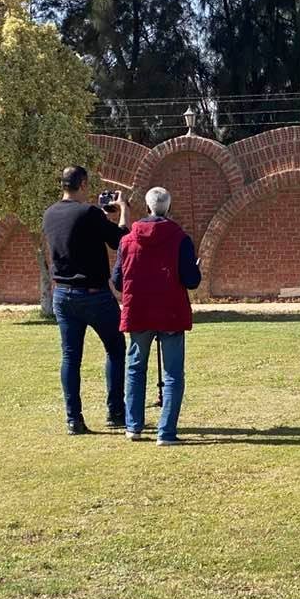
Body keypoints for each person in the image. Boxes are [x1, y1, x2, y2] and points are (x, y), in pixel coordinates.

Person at [42, 166, 129, 435]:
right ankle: (115, 412)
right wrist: (123, 209)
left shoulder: (50, 214)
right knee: (115, 349)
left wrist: (101, 218)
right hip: (94, 295)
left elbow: (75, 236)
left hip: (63, 295)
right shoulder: (89, 213)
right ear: (82, 184)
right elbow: (119, 241)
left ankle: (73, 419)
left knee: (71, 357)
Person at [112, 187, 201, 446]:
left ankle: (133, 426)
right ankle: (166, 432)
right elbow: (191, 280)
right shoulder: (180, 238)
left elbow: (118, 280)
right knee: (173, 373)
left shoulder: (127, 240)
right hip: (170, 311)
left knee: (135, 368)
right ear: (168, 209)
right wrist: (196, 270)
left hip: (139, 310)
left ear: (147, 207)